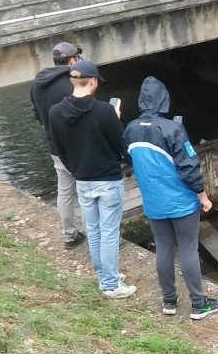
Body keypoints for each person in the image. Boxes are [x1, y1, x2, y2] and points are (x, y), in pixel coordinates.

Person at [123, 76, 218, 320]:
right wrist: (202, 195)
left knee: (164, 249)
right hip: (181, 202)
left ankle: (169, 301)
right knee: (188, 249)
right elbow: (189, 166)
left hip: (154, 203)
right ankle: (199, 304)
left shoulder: (130, 129)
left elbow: (129, 161)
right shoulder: (173, 129)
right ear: (163, 99)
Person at [49, 60, 137, 299]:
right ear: (94, 82)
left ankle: (104, 276)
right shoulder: (104, 111)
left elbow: (60, 149)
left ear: (72, 81)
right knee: (109, 232)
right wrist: (115, 118)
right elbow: (121, 145)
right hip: (107, 179)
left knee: (94, 230)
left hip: (82, 180)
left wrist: (75, 170)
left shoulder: (55, 112)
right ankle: (110, 285)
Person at [30, 41, 87, 249]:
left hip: (55, 147)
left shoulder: (37, 84)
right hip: (78, 148)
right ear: (72, 60)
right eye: (77, 58)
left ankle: (70, 235)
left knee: (65, 190)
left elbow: (37, 115)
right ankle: (97, 237)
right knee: (87, 191)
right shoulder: (74, 83)